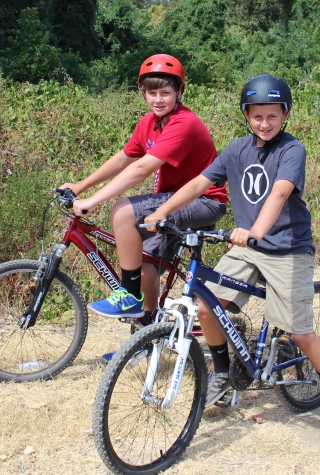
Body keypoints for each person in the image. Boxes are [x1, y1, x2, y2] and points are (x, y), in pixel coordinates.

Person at [145, 74, 320, 438]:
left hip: (286, 248)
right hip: (246, 248)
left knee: (300, 334)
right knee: (205, 305)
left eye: (272, 116)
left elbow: (279, 194)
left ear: (285, 115)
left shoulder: (292, 151)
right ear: (246, 115)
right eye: (257, 116)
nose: (265, 123)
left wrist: (256, 231)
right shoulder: (236, 149)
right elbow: (198, 183)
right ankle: (224, 375)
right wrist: (165, 211)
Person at [60, 54, 227, 320]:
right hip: (174, 199)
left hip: (204, 200)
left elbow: (141, 169)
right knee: (146, 267)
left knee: (122, 211)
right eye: (152, 93)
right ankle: (147, 334)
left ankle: (129, 295)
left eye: (165, 93)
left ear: (180, 92)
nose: (158, 100)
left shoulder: (184, 123)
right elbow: (123, 158)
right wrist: (81, 186)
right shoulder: (148, 124)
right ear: (143, 94)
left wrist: (92, 201)